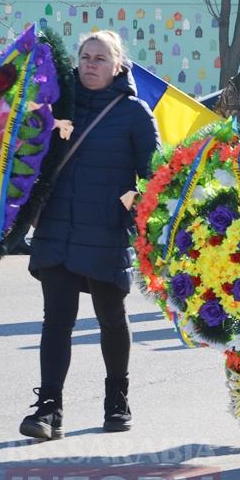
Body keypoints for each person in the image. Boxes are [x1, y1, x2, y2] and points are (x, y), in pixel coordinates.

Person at [20, 30, 160, 439]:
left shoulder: (134, 113)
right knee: (56, 320)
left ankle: (117, 399)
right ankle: (49, 409)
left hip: (105, 230)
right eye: (85, 57)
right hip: (57, 228)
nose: (90, 64)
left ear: (118, 66)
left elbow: (154, 176)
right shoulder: (57, 106)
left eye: (100, 58)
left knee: (111, 318)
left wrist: (128, 204)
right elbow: (27, 157)